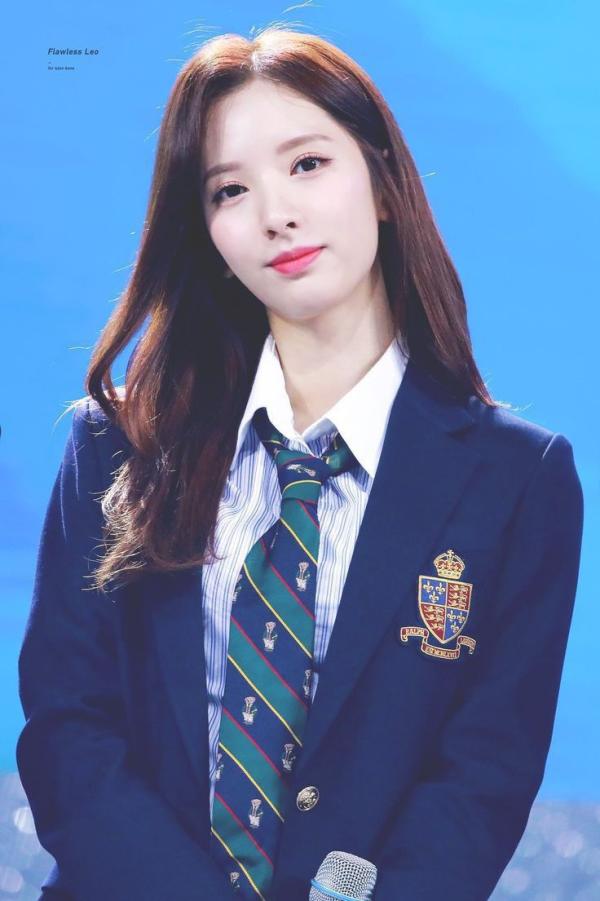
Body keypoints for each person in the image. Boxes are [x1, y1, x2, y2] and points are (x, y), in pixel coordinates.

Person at [16, 25, 584, 901]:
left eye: (308, 164)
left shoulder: (518, 479)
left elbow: (482, 777)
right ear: (207, 231)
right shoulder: (117, 444)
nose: (274, 213)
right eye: (230, 189)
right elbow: (68, 731)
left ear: (384, 183)